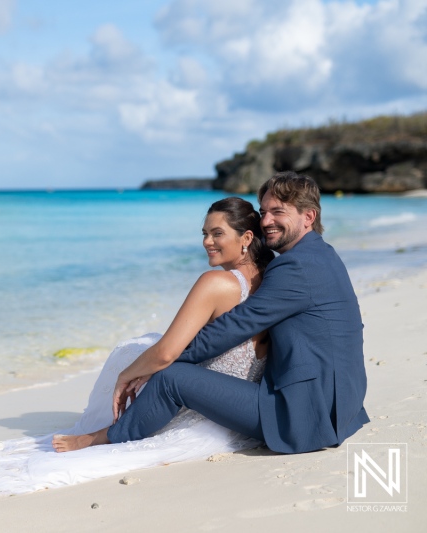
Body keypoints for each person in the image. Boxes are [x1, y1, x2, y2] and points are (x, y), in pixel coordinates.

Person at [0, 197, 275, 504]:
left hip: (205, 398)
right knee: (147, 348)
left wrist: (128, 376)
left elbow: (167, 353)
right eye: (204, 233)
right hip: (238, 397)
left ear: (245, 238)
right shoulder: (270, 280)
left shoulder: (216, 283)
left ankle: (100, 435)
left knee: (138, 353)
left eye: (217, 234)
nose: (207, 241)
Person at [54, 171, 369, 455]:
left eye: (278, 212)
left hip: (302, 416)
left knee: (170, 377)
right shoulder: (320, 255)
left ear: (308, 217)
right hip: (340, 403)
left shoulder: (295, 267)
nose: (266, 221)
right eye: (263, 212)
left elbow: (233, 327)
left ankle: (103, 438)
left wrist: (162, 359)